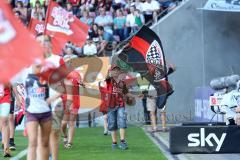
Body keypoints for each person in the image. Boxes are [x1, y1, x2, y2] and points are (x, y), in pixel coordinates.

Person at [106, 65, 133, 150]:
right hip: (110, 104)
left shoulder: (122, 82)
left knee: (122, 121)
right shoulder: (109, 80)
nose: (116, 71)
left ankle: (122, 141)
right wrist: (109, 72)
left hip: (120, 104)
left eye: (117, 70)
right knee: (112, 123)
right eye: (114, 70)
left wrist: (133, 96)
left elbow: (126, 93)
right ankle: (114, 142)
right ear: (111, 71)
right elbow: (107, 77)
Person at [61, 70, 84, 149]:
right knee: (63, 124)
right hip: (64, 101)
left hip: (75, 101)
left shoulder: (76, 74)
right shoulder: (60, 74)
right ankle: (64, 136)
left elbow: (81, 83)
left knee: (71, 123)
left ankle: (69, 142)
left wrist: (81, 83)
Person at [0, 84, 12, 157]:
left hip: (5, 97)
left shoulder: (5, 72)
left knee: (4, 121)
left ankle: (6, 149)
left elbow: (11, 84)